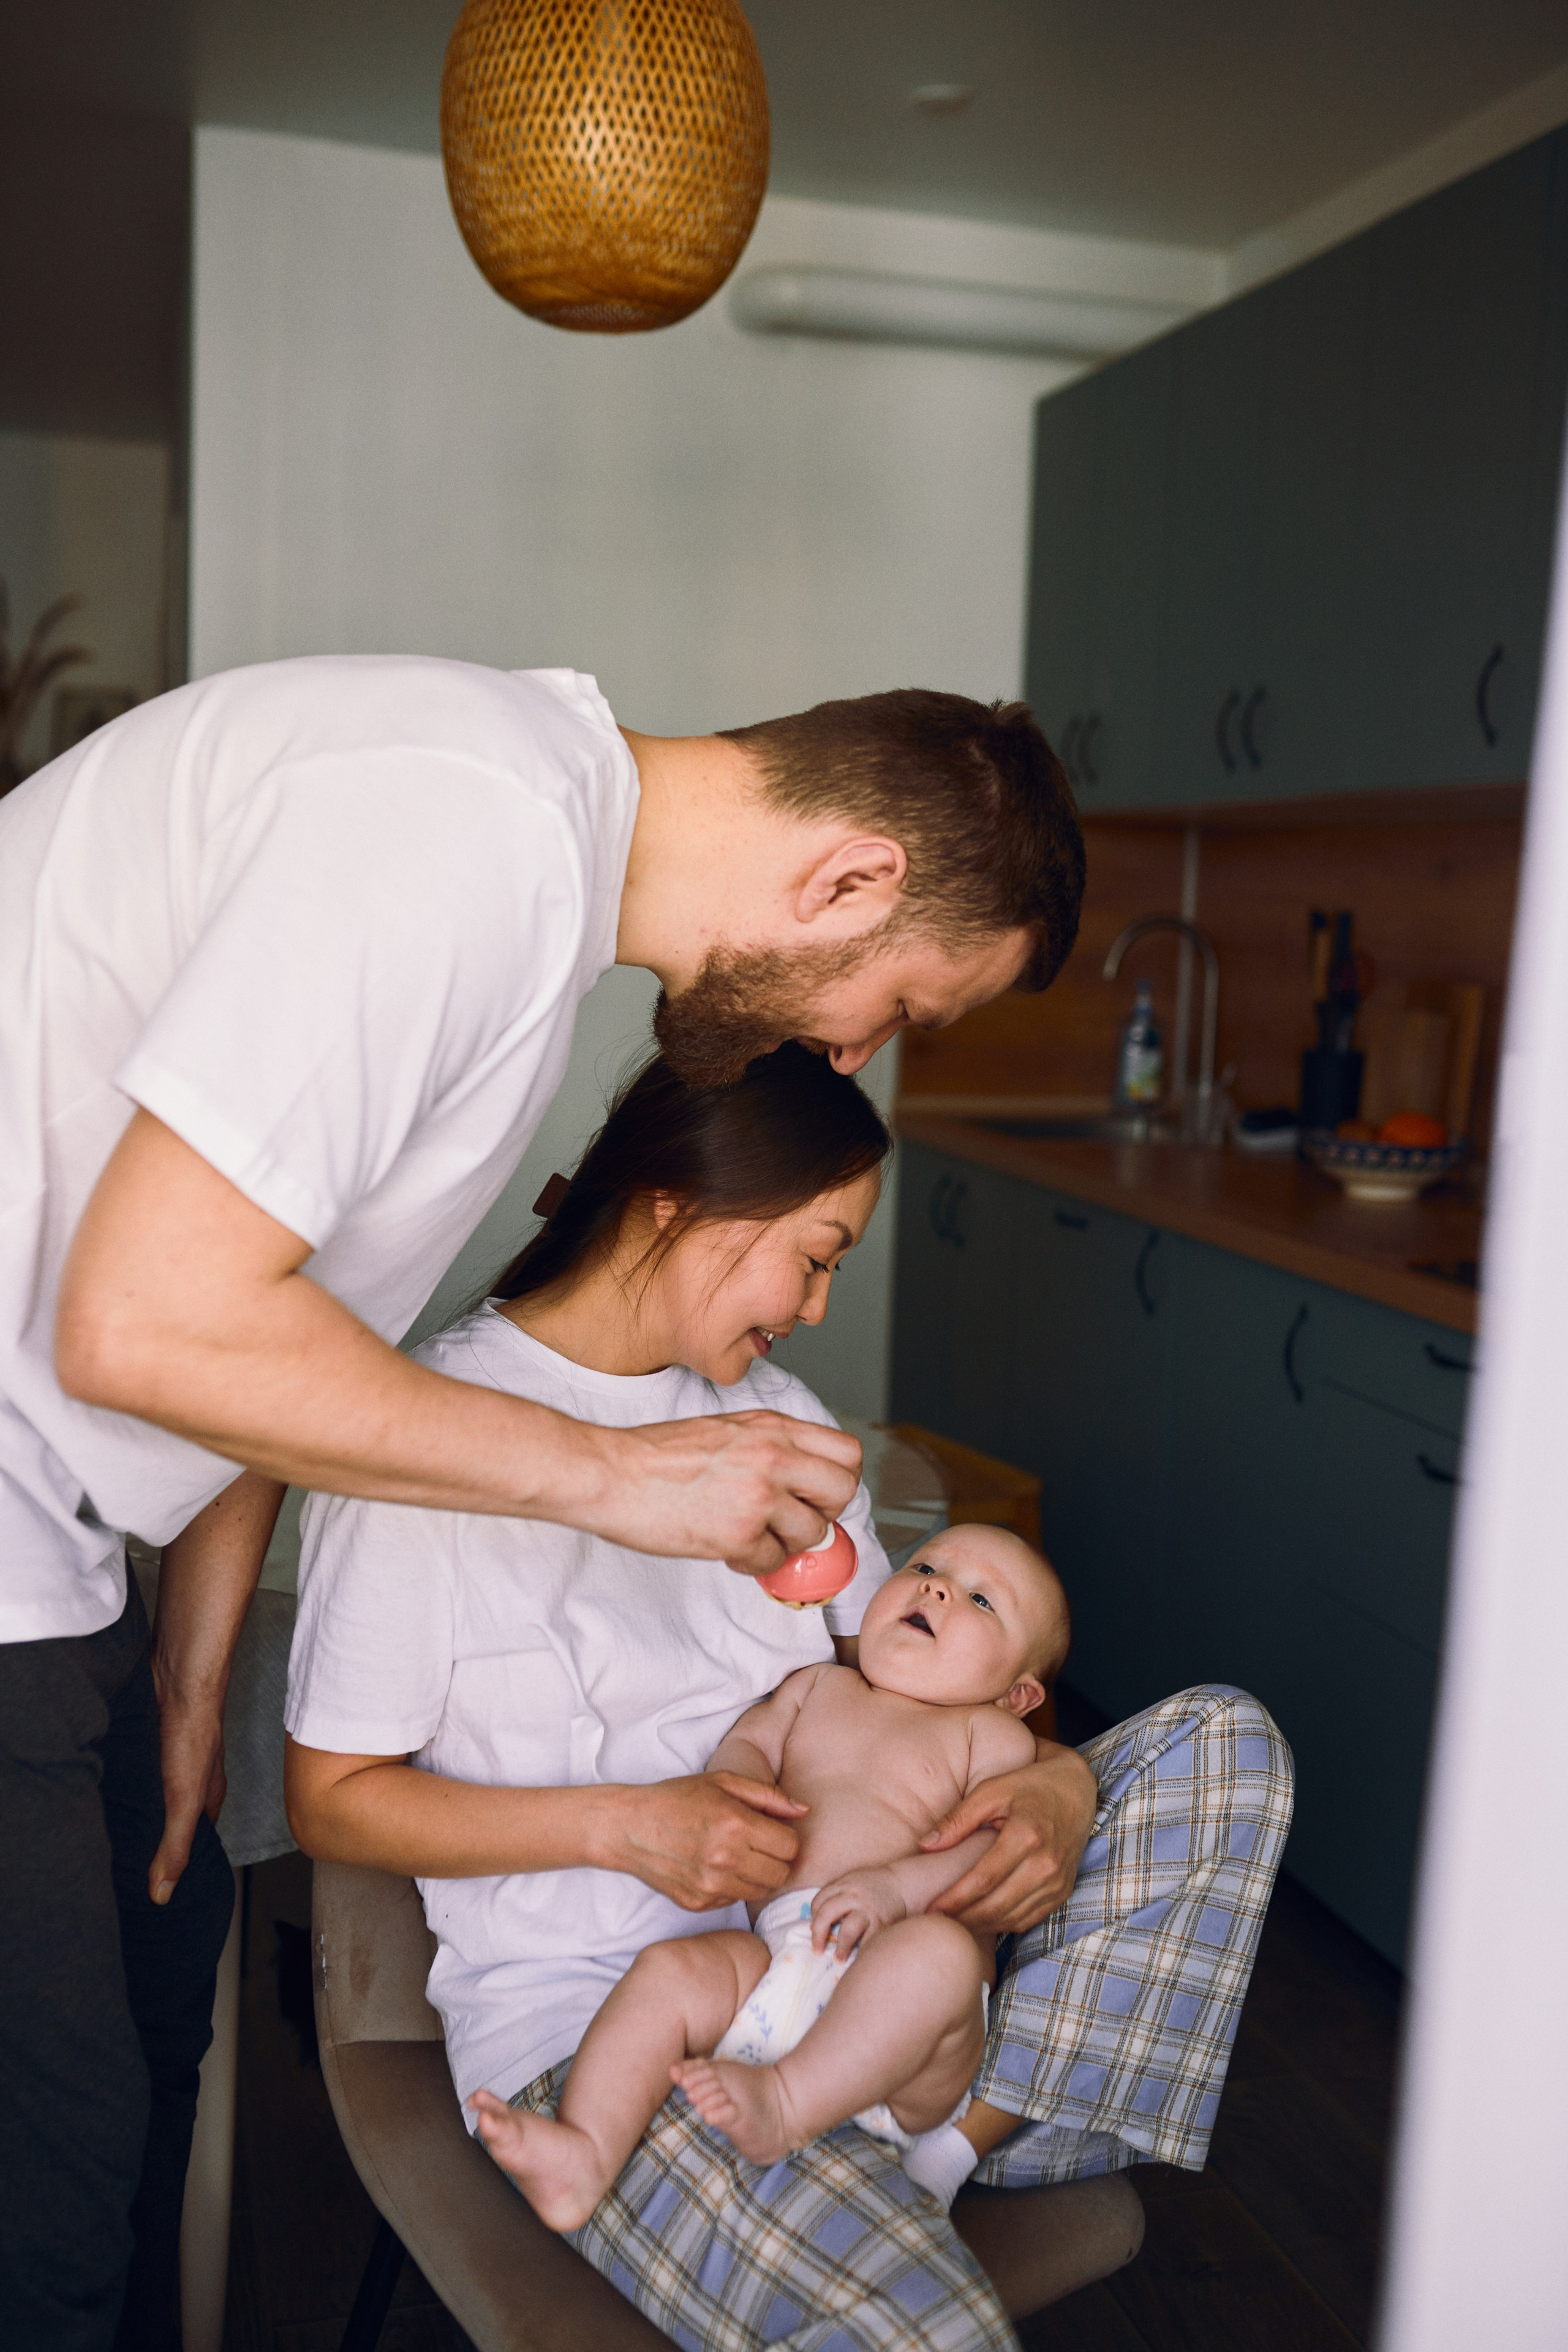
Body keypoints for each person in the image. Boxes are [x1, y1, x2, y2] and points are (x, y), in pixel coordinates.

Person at [0, 664, 1089, 2350]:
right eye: (904, 1009)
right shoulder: (470, 831)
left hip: (63, 1548)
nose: (852, 1053)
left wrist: (194, 1668)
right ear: (856, 879)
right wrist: (613, 1478)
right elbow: (143, 1318)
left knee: (148, 2043)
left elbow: (274, 1329)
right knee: (49, 2189)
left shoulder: (526, 884)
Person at [285, 1044, 1294, 2352]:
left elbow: (920, 1682)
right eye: (813, 1256)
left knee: (1223, 1746)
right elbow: (332, 1806)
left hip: (875, 1978)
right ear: (676, 1204)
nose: (819, 1307)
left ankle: (928, 2146)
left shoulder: (774, 1417)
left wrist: (1054, 1780)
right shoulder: (425, 1447)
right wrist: (623, 1826)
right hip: (615, 2027)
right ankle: (893, 2177)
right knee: (919, 2329)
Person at [470, 1526, 1069, 2230]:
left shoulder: (990, 1737)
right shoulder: (818, 1686)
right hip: (776, 1965)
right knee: (673, 1972)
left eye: (979, 1599)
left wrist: (897, 1890)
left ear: (1018, 1694)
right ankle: (586, 2152)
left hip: (907, 2015)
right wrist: (740, 1784)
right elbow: (747, 1745)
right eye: (925, 1566)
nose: (936, 1586)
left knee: (935, 1956)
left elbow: (997, 1849)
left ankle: (784, 2106)